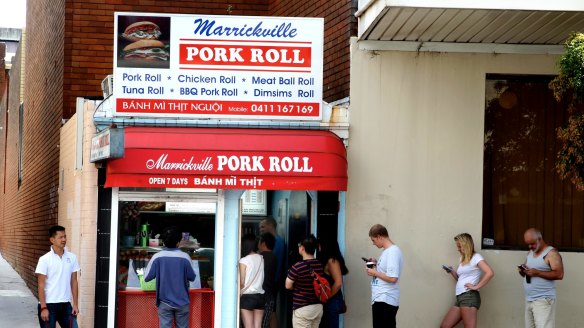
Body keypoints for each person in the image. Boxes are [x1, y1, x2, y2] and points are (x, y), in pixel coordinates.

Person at [144, 226, 196, 328]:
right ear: (178, 242)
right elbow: (192, 277)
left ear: (163, 241)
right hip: (182, 302)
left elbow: (147, 277)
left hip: (164, 302)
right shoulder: (185, 257)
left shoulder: (157, 257)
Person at [440, 233, 495, 328]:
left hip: (469, 297)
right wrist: (452, 272)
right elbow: (461, 279)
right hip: (460, 297)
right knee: (445, 326)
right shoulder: (462, 259)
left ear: (466, 245)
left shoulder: (476, 257)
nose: (458, 249)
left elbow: (490, 272)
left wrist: (476, 286)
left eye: (459, 246)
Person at [35, 225, 80, 328]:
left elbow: (74, 281)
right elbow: (41, 285)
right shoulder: (44, 259)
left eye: (65, 236)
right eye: (60, 237)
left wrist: (75, 304)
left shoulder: (72, 258)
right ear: (52, 240)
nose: (64, 239)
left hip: (66, 305)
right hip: (49, 305)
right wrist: (43, 308)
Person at [519, 228, 564, 328]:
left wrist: (538, 272)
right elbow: (528, 273)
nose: (530, 247)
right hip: (529, 299)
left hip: (543, 299)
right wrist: (523, 271)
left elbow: (559, 274)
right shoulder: (530, 253)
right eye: (528, 244)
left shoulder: (551, 253)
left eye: (532, 243)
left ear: (540, 239)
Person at [366, 224, 403, 328]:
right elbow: (387, 272)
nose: (373, 243)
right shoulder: (387, 251)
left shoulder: (392, 252)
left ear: (379, 236)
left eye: (373, 240)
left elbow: (393, 278)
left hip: (385, 299)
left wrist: (374, 272)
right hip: (381, 298)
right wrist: (375, 263)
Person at [286, 234, 325, 327]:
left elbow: (288, 285)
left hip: (303, 308)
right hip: (317, 307)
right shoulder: (319, 265)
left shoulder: (297, 266)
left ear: (302, 248)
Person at [317, 237, 349, 328]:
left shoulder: (332, 261)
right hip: (332, 300)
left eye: (319, 245)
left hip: (332, 301)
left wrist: (326, 297)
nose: (318, 248)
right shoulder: (329, 260)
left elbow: (338, 283)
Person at [240, 233, 266, 328]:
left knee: (249, 326)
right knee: (257, 326)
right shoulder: (261, 258)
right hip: (260, 296)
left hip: (247, 297)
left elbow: (242, 282)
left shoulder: (244, 260)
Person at [259, 233, 278, 328]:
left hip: (261, 296)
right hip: (269, 294)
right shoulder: (273, 257)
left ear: (263, 244)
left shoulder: (260, 258)